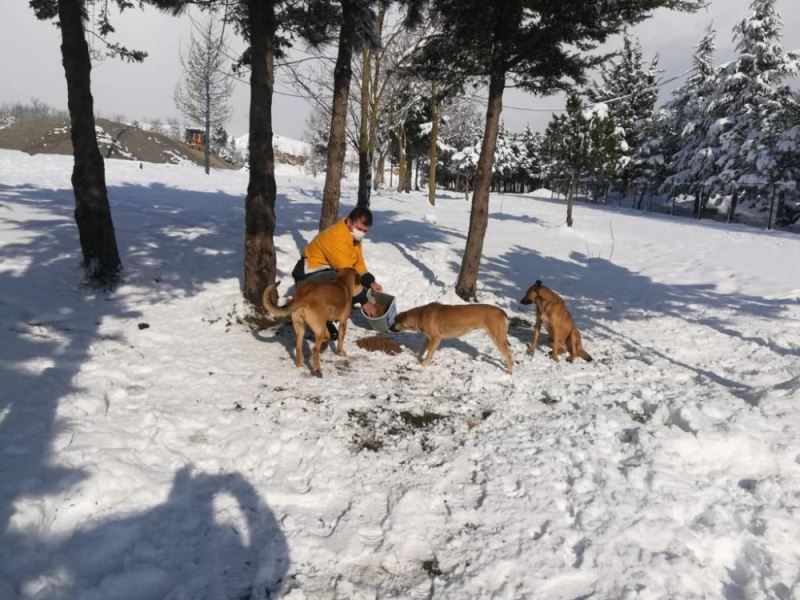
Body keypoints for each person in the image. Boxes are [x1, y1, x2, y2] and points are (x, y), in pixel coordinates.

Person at [291, 206, 384, 339]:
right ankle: (316, 321)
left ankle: (326, 317)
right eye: (359, 228)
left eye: (365, 231)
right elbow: (347, 273)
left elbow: (357, 262)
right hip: (308, 277)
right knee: (341, 284)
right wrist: (364, 301)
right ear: (349, 222)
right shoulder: (337, 237)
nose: (361, 233)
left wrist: (370, 281)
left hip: (325, 273)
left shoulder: (354, 237)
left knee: (346, 286)